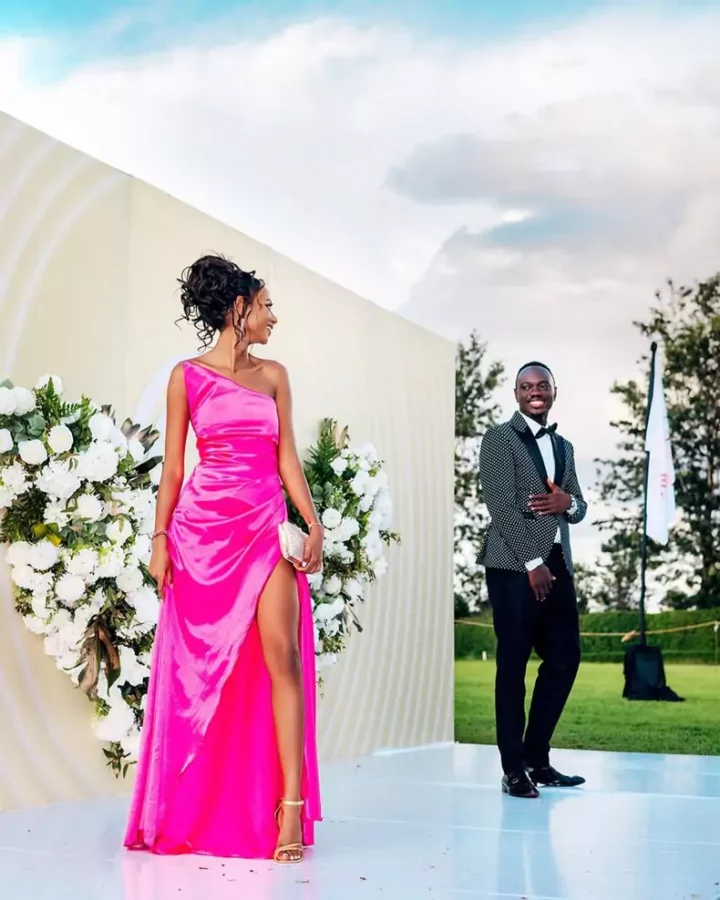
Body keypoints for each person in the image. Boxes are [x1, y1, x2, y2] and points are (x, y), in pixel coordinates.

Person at [124, 255, 322, 862]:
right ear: (239, 308)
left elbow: (287, 457)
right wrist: (160, 538)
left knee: (283, 657)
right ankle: (193, 804)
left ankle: (289, 807)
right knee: (198, 675)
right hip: (202, 537)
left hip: (265, 527)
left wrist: (312, 523)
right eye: (266, 306)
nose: (273, 317)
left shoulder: (275, 376)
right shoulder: (185, 377)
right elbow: (174, 468)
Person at [478, 362, 587, 798]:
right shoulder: (498, 438)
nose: (534, 392)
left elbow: (578, 506)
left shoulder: (564, 446)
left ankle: (537, 760)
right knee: (513, 665)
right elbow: (500, 505)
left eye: (542, 385)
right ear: (516, 394)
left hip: (558, 563)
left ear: (553, 392)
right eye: (526, 386)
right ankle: (513, 769)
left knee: (565, 658)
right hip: (512, 566)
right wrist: (533, 562)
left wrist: (568, 503)